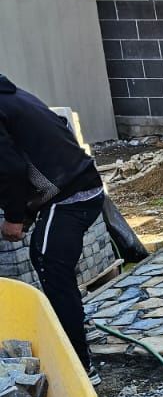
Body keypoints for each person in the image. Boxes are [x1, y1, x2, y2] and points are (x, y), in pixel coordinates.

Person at [0, 73, 105, 377]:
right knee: (48, 260)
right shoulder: (13, 97)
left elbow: (11, 169)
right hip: (74, 186)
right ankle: (74, 334)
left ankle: (81, 368)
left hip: (72, 195)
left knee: (49, 263)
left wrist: (15, 217)